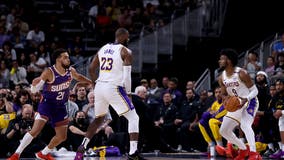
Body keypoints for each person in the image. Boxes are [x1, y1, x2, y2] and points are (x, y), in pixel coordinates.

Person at [7, 48, 93, 160]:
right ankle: (16, 154)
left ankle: (43, 153)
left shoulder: (70, 71)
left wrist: (91, 82)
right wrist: (34, 85)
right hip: (47, 105)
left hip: (60, 106)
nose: (68, 59)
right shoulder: (49, 72)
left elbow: (78, 77)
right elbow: (34, 90)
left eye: (68, 57)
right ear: (58, 59)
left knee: (62, 137)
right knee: (35, 131)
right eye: (65, 57)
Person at [74, 28, 145, 160]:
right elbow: (127, 76)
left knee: (99, 119)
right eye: (128, 37)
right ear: (123, 37)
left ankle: (81, 148)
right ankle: (133, 152)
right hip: (113, 87)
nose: (128, 39)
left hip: (100, 87)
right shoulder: (126, 51)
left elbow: (90, 68)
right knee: (134, 117)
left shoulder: (103, 48)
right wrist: (128, 94)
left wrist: (95, 85)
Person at [216, 48, 262, 160]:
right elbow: (224, 94)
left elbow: (255, 91)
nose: (219, 61)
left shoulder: (241, 73)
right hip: (236, 104)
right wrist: (224, 99)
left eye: (222, 59)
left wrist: (246, 99)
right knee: (223, 130)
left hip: (250, 101)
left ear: (229, 61)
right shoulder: (222, 77)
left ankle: (253, 153)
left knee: (245, 125)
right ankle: (242, 149)